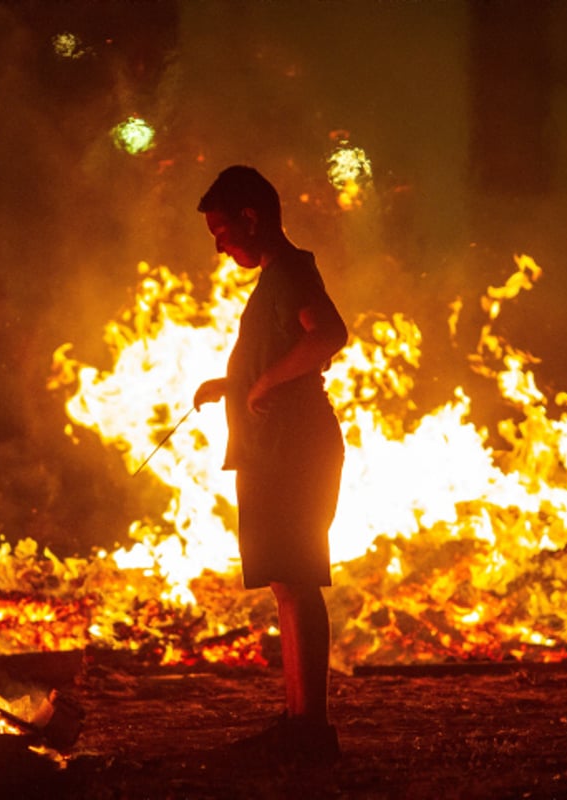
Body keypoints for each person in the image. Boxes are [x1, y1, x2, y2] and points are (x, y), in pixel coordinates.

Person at [193, 166, 348, 757]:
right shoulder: (278, 279)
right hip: (274, 451)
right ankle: (299, 722)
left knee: (298, 582)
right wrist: (232, 384)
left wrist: (261, 388)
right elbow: (283, 354)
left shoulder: (288, 274)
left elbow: (328, 335)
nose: (220, 243)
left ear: (253, 219)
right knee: (287, 583)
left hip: (292, 451)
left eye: (224, 229)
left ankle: (312, 729)